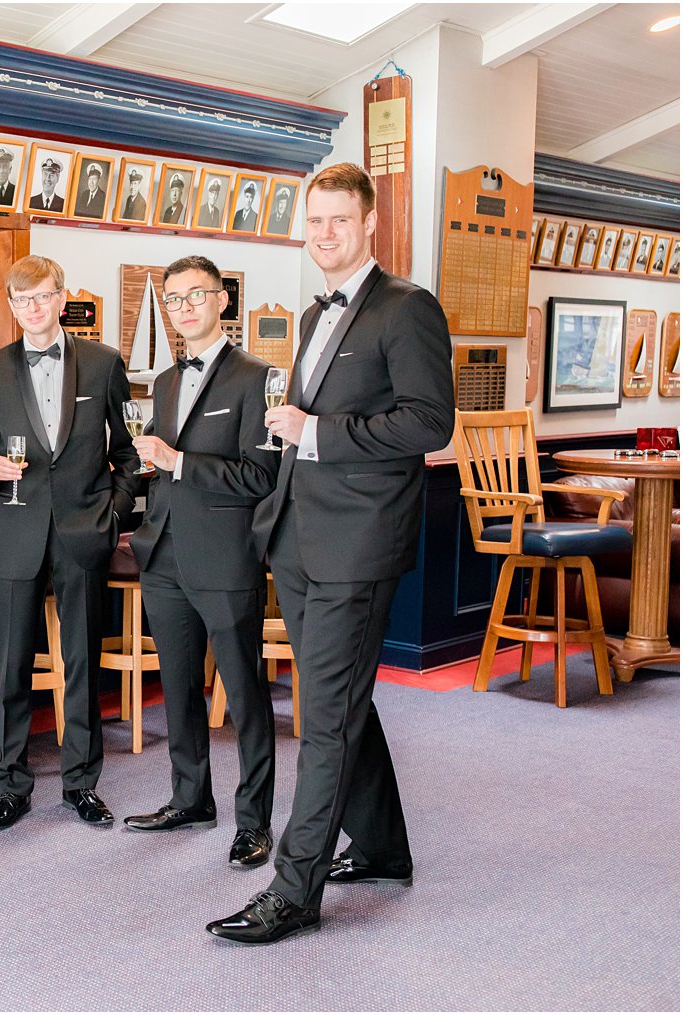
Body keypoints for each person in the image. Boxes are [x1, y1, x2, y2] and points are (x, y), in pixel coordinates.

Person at [208, 162, 453, 945]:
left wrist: (317, 433)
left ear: (369, 221)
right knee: (341, 703)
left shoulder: (408, 308)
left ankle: (294, 889)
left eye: (338, 220)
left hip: (360, 542)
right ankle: (382, 847)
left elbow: (429, 423)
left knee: (324, 719)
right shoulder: (315, 315)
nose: (324, 234)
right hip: (299, 536)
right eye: (313, 221)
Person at [0, 254, 140, 831]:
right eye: (23, 300)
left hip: (82, 535)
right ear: (12, 308)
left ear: (62, 299)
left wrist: (111, 516)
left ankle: (81, 785)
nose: (34, 309)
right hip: (15, 532)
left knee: (82, 663)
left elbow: (128, 454)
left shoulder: (104, 363)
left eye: (43, 297)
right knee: (11, 665)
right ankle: (12, 784)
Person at [123, 255, 279, 870]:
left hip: (224, 557)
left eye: (196, 296)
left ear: (223, 300)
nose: (184, 308)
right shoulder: (162, 381)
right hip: (161, 554)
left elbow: (259, 476)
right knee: (179, 689)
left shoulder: (255, 377)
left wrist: (178, 460)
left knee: (243, 693)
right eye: (174, 299)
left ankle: (255, 821)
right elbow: (159, 467)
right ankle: (190, 799)